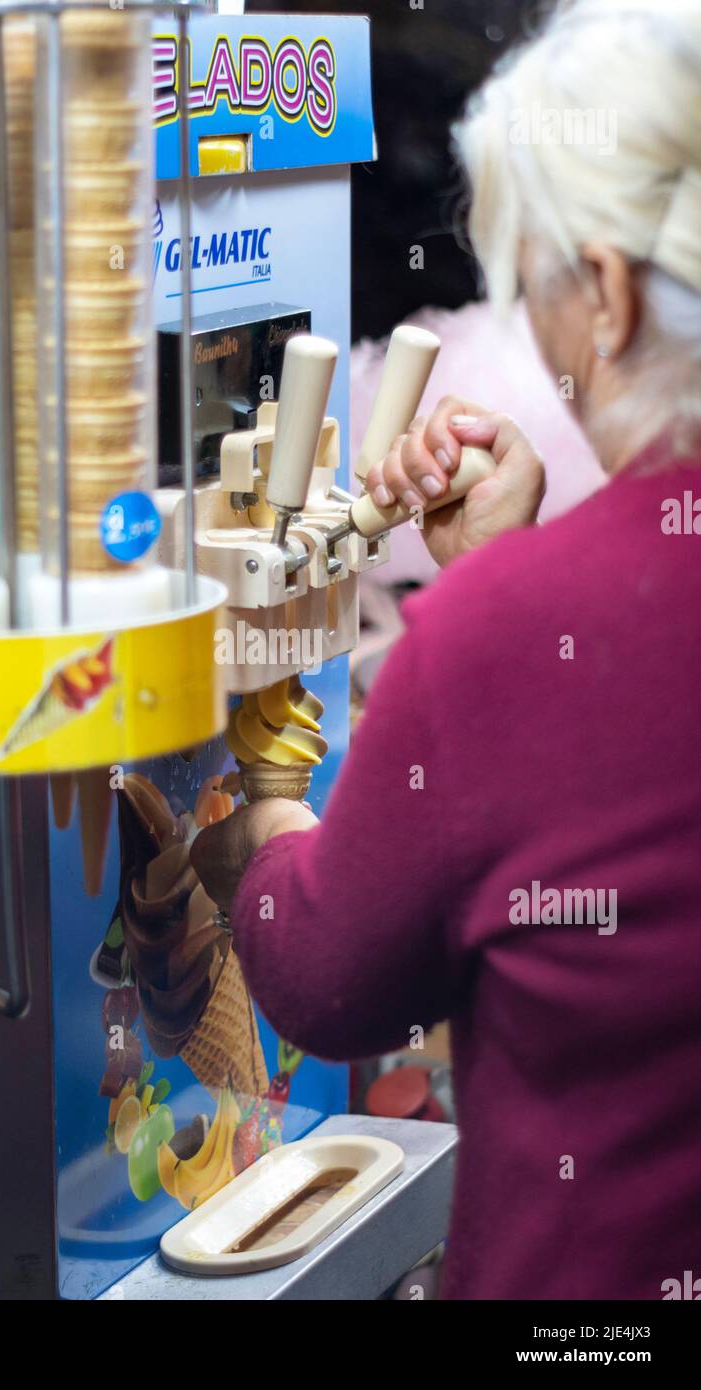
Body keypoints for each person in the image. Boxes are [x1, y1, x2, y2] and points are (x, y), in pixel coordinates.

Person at [191, 0, 701, 1301]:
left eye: (525, 285)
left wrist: (266, 798)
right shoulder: (538, 619)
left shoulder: (513, 634)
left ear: (607, 292)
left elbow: (330, 981)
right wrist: (497, 580)